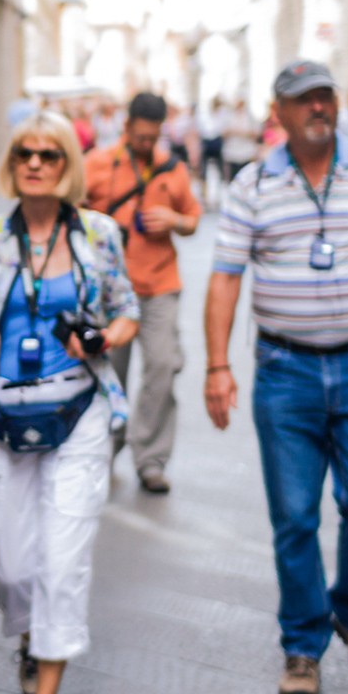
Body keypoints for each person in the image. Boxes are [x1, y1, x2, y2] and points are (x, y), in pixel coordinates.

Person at [203, 60, 348, 694]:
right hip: (285, 371)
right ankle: (302, 644)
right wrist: (218, 366)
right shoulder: (252, 184)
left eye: (325, 96)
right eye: (304, 100)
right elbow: (225, 278)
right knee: (295, 516)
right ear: (280, 112)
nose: (318, 108)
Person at [0, 111, 139, 694]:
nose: (35, 163)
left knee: (62, 559)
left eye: (49, 154)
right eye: (24, 153)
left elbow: (127, 312)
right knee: (9, 563)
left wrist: (102, 337)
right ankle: (30, 636)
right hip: (2, 418)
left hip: (78, 413)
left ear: (68, 165)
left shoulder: (98, 235)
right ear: (11, 162)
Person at [83, 92, 201, 493]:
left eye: (153, 137)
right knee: (109, 374)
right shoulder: (98, 163)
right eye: (140, 137)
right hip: (111, 293)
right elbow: (70, 211)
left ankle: (150, 458)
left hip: (160, 286)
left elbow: (193, 220)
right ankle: (106, 448)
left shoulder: (172, 169)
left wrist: (174, 220)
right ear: (127, 127)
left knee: (163, 368)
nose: (147, 144)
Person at [221, 99, 259, 182]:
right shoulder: (229, 116)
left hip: (246, 153)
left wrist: (243, 133)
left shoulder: (249, 116)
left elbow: (256, 133)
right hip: (232, 153)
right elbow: (223, 133)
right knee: (232, 178)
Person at [197, 97, 226, 203]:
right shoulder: (205, 114)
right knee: (204, 171)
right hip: (207, 142)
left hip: (217, 142)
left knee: (220, 171)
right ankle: (204, 195)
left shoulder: (222, 114)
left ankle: (218, 195)